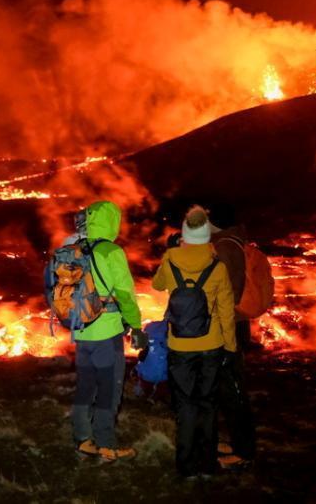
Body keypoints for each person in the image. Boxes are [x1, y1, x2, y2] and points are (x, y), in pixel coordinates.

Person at [152, 206, 236, 478]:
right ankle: (208, 465)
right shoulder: (218, 267)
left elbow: (156, 285)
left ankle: (186, 466)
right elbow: (226, 310)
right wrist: (230, 346)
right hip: (211, 345)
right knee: (208, 404)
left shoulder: (170, 261)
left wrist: (171, 254)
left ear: (185, 235)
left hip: (180, 346)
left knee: (185, 405)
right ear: (206, 236)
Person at [71, 200, 146, 462]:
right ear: (112, 221)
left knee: (84, 387)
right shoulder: (111, 251)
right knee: (109, 390)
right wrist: (136, 326)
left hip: (80, 333)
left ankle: (82, 440)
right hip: (106, 334)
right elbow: (125, 295)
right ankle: (106, 445)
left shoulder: (75, 249)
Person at [208, 205, 256, 467]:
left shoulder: (224, 247)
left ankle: (244, 451)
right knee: (223, 387)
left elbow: (228, 292)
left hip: (227, 327)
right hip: (232, 325)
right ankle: (234, 443)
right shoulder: (231, 242)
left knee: (232, 390)